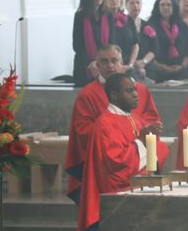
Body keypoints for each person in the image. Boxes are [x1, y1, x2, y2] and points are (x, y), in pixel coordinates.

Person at [76, 73, 169, 231]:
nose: (135, 94)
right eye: (129, 90)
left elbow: (159, 151)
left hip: (142, 197)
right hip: (118, 204)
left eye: (135, 90)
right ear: (114, 94)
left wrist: (150, 141)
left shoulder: (136, 119)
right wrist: (142, 142)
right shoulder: (105, 124)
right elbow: (117, 164)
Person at [65, 45, 162, 207]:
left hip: (139, 161)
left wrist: (141, 135)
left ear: (122, 63)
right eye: (104, 61)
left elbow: (152, 119)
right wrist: (121, 137)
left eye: (114, 60)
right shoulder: (87, 95)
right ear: (97, 65)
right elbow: (82, 130)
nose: (110, 65)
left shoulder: (141, 90)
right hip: (106, 164)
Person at [139, 0, 188, 83]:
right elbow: (148, 50)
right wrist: (162, 67)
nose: (165, 7)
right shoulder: (150, 26)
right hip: (158, 72)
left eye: (169, 5)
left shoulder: (182, 25)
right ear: (158, 7)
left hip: (181, 71)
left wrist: (182, 66)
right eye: (162, 5)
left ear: (174, 7)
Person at [71, 0, 119, 87]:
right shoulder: (80, 16)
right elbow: (77, 45)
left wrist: (100, 62)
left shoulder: (109, 15)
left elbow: (112, 42)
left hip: (106, 64)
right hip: (84, 66)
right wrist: (92, 63)